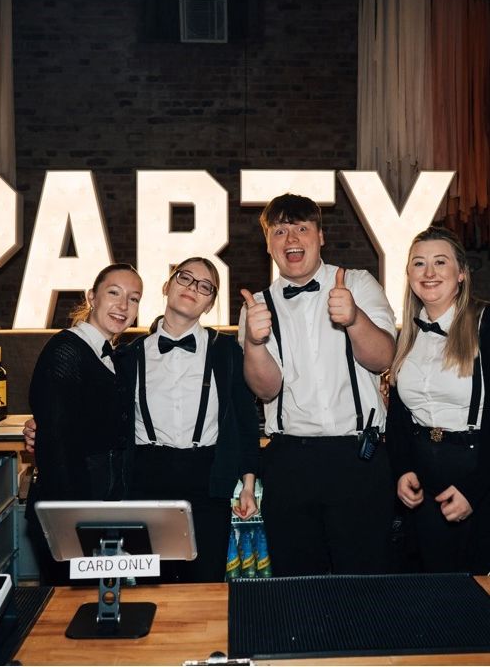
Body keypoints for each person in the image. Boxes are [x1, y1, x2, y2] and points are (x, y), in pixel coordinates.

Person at [239, 193, 396, 576]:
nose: (291, 238)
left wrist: (354, 318)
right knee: (298, 584)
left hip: (359, 457)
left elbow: (383, 358)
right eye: (280, 231)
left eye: (301, 228)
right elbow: (266, 390)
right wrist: (255, 343)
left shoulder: (358, 283)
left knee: (365, 581)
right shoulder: (256, 306)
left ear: (320, 236)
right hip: (290, 461)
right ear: (268, 244)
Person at [119, 257, 260, 583]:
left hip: (207, 480)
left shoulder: (227, 352)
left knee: (205, 584)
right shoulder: (129, 355)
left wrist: (248, 485)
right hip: (145, 479)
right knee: (150, 585)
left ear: (210, 304)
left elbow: (245, 419)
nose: (193, 288)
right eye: (185, 278)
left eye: (205, 286)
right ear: (166, 286)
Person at [23, 263, 143, 585]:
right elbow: (57, 448)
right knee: (69, 605)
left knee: (99, 603)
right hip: (71, 513)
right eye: (114, 293)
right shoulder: (66, 351)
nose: (123, 305)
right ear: (92, 297)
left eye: (133, 298)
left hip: (99, 510)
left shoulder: (111, 355)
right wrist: (76, 522)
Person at [386, 226, 490, 573]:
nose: (428, 272)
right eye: (419, 263)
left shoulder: (485, 324)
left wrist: (474, 489)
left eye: (440, 262)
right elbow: (399, 416)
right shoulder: (408, 335)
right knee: (430, 590)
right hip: (423, 480)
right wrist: (403, 469)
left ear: (461, 273)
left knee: (475, 592)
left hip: (477, 472)